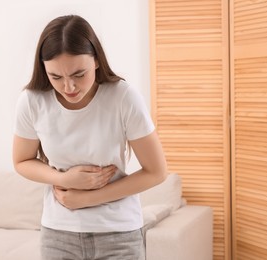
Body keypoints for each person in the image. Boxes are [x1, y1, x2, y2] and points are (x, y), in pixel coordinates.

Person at [12, 14, 168, 260]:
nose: (69, 87)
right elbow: (22, 161)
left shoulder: (123, 98)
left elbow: (157, 171)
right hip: (58, 234)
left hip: (119, 234)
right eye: (56, 77)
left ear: (96, 60)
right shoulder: (32, 101)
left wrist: (88, 198)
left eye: (78, 74)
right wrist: (64, 178)